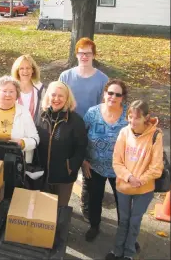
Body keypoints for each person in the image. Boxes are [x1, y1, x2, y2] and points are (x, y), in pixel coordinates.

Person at [105, 100, 163, 260]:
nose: (132, 121)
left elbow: (157, 167)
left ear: (146, 117)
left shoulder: (155, 135)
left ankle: (129, 253)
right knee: (123, 220)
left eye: (136, 118)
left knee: (135, 221)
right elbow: (116, 161)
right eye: (130, 117)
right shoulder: (124, 132)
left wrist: (140, 180)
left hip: (144, 189)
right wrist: (129, 177)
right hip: (124, 186)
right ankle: (117, 251)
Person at [59, 37, 109, 221]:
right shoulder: (66, 76)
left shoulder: (102, 79)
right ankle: (60, 204)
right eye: (81, 53)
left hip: (91, 131)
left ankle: (87, 207)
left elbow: (104, 107)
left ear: (94, 55)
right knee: (67, 167)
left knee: (89, 170)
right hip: (67, 129)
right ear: (77, 54)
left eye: (88, 53)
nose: (84, 56)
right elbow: (58, 100)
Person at [83, 79, 129, 242]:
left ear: (122, 97)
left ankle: (126, 233)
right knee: (94, 198)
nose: (113, 97)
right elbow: (81, 137)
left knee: (123, 203)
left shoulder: (129, 115)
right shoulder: (92, 112)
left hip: (121, 170)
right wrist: (83, 160)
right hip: (94, 166)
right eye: (110, 93)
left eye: (118, 94)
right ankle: (94, 226)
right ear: (104, 94)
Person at [36, 81, 87, 207]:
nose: (56, 99)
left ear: (67, 98)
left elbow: (81, 148)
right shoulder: (41, 116)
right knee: (44, 210)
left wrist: (71, 167)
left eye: (61, 96)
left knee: (60, 210)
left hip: (64, 177)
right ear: (48, 96)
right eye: (53, 95)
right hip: (42, 175)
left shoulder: (76, 121)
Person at [0, 75, 39, 164]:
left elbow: (35, 139)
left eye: (11, 91)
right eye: (4, 91)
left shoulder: (24, 112)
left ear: (17, 93)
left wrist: (22, 143)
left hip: (15, 162)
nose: (8, 95)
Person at [11, 54, 45, 125]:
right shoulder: (10, 87)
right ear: (17, 71)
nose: (25, 71)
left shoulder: (40, 88)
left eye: (28, 68)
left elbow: (43, 112)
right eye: (21, 68)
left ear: (33, 70)